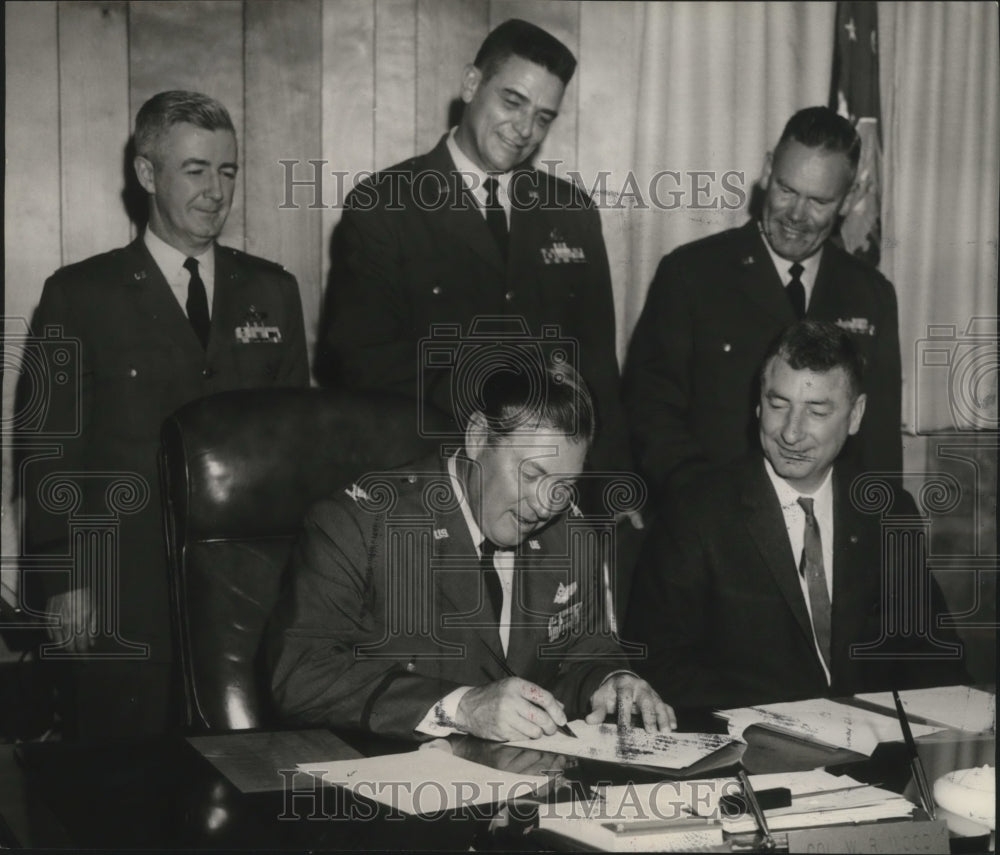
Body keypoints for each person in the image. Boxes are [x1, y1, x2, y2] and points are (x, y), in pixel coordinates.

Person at [19, 90, 309, 739]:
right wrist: (68, 577)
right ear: (148, 173)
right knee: (122, 779)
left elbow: (299, 452)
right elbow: (48, 450)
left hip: (247, 595)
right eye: (195, 170)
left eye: (228, 171)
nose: (215, 190)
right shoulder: (79, 294)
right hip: (124, 588)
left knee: (246, 778)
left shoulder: (272, 290)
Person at [266, 359, 674, 741]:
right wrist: (460, 707)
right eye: (532, 474)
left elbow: (584, 653)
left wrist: (612, 681)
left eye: (564, 486)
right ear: (478, 438)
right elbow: (300, 676)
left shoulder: (572, 534)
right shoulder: (361, 525)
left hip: (521, 792)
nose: (547, 504)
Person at [321, 18, 628, 483]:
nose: (525, 129)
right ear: (471, 84)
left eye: (543, 117)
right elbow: (360, 362)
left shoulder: (572, 212)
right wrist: (500, 397)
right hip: (425, 475)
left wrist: (610, 482)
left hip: (550, 483)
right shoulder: (383, 205)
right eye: (512, 101)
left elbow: (598, 367)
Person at [625, 321, 967, 710]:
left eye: (816, 411)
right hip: (753, 752)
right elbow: (656, 663)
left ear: (856, 415)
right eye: (778, 405)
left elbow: (933, 658)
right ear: (757, 404)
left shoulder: (889, 510)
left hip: (877, 752)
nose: (791, 433)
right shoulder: (696, 514)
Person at [623, 106, 902, 502]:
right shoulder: (691, 274)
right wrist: (701, 501)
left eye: (818, 201)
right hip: (712, 517)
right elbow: (651, 411)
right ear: (769, 171)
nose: (795, 216)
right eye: (786, 190)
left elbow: (879, 444)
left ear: (849, 198)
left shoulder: (870, 294)